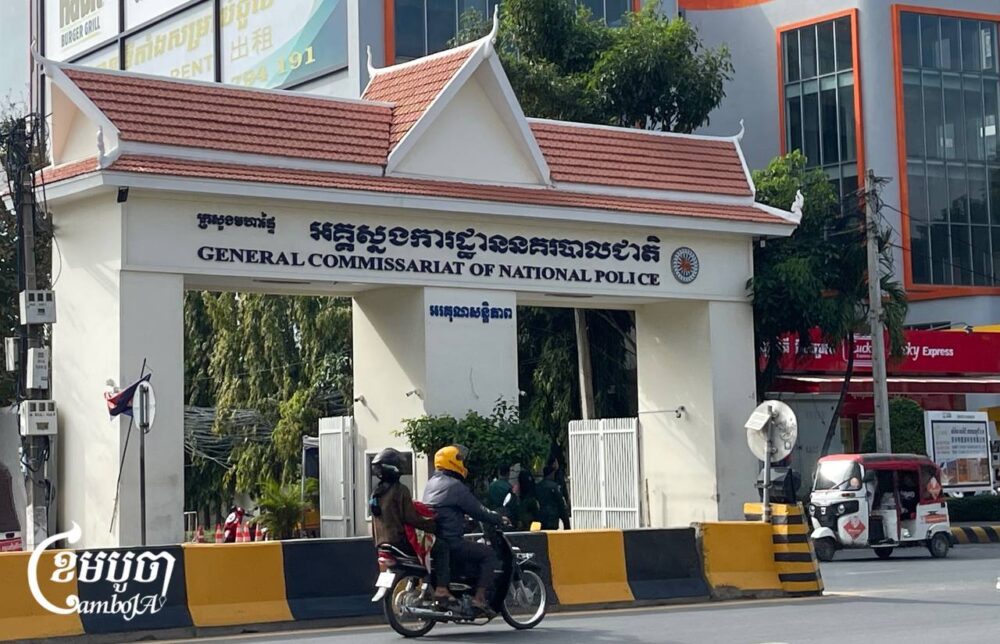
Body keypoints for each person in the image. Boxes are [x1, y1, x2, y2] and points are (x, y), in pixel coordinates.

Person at [423, 444, 504, 612]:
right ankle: (479, 599)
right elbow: (478, 509)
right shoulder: (455, 486)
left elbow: (445, 510)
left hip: (436, 539)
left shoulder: (431, 484)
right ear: (453, 461)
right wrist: (497, 518)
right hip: (451, 541)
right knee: (488, 554)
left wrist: (464, 520)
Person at [369, 448, 452, 605]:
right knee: (441, 547)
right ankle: (442, 588)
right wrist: (432, 524)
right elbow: (411, 518)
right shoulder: (400, 490)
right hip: (400, 541)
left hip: (383, 544)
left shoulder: (376, 492)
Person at [536, 465, 571, 530]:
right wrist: (567, 525)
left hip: (541, 517)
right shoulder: (554, 486)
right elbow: (560, 504)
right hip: (552, 518)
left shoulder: (538, 486)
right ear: (551, 474)